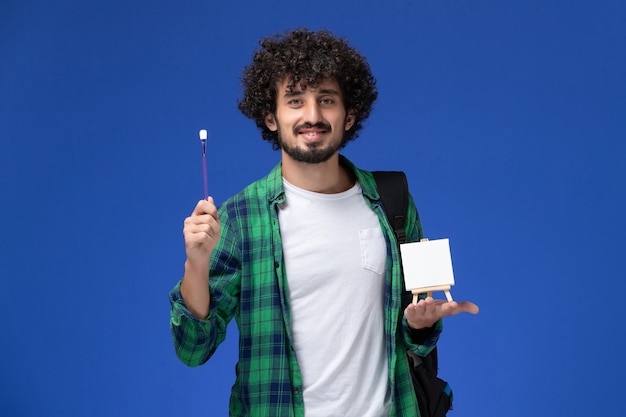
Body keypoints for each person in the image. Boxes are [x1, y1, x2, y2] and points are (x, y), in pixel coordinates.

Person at [169, 28, 479, 417]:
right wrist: (196, 264)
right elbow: (193, 348)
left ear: (349, 115)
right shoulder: (240, 218)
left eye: (326, 100)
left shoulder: (392, 200)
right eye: (295, 101)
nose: (312, 116)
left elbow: (414, 336)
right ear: (271, 116)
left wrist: (420, 326)